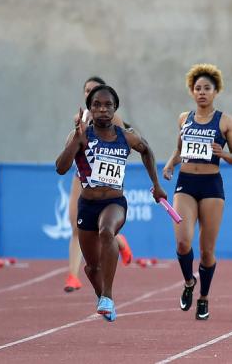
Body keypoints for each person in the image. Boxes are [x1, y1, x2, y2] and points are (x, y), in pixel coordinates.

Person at [55, 85, 166, 322]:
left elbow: (146, 150)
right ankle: (104, 300)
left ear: (115, 109)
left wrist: (156, 184)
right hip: (88, 205)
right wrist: (77, 140)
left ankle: (107, 295)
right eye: (97, 105)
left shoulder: (125, 135)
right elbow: (61, 167)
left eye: (108, 105)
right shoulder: (80, 134)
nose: (102, 109)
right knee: (91, 268)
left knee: (107, 232)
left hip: (115, 202)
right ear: (90, 109)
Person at [162, 64, 232, 321]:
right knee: (183, 242)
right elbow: (179, 148)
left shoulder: (226, 121)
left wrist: (225, 155)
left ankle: (204, 297)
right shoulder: (184, 118)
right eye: (197, 88)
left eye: (207, 88)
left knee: (207, 251)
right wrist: (170, 163)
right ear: (192, 92)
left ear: (216, 91)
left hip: (211, 187)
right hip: (185, 183)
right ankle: (188, 282)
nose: (202, 93)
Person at [64, 76, 133, 294]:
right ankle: (73, 275)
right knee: (75, 223)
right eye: (87, 91)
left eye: (94, 90)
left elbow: (123, 145)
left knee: (103, 229)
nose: (90, 94)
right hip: (82, 175)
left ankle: (118, 241)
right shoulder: (79, 118)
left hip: (107, 181)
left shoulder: (116, 119)